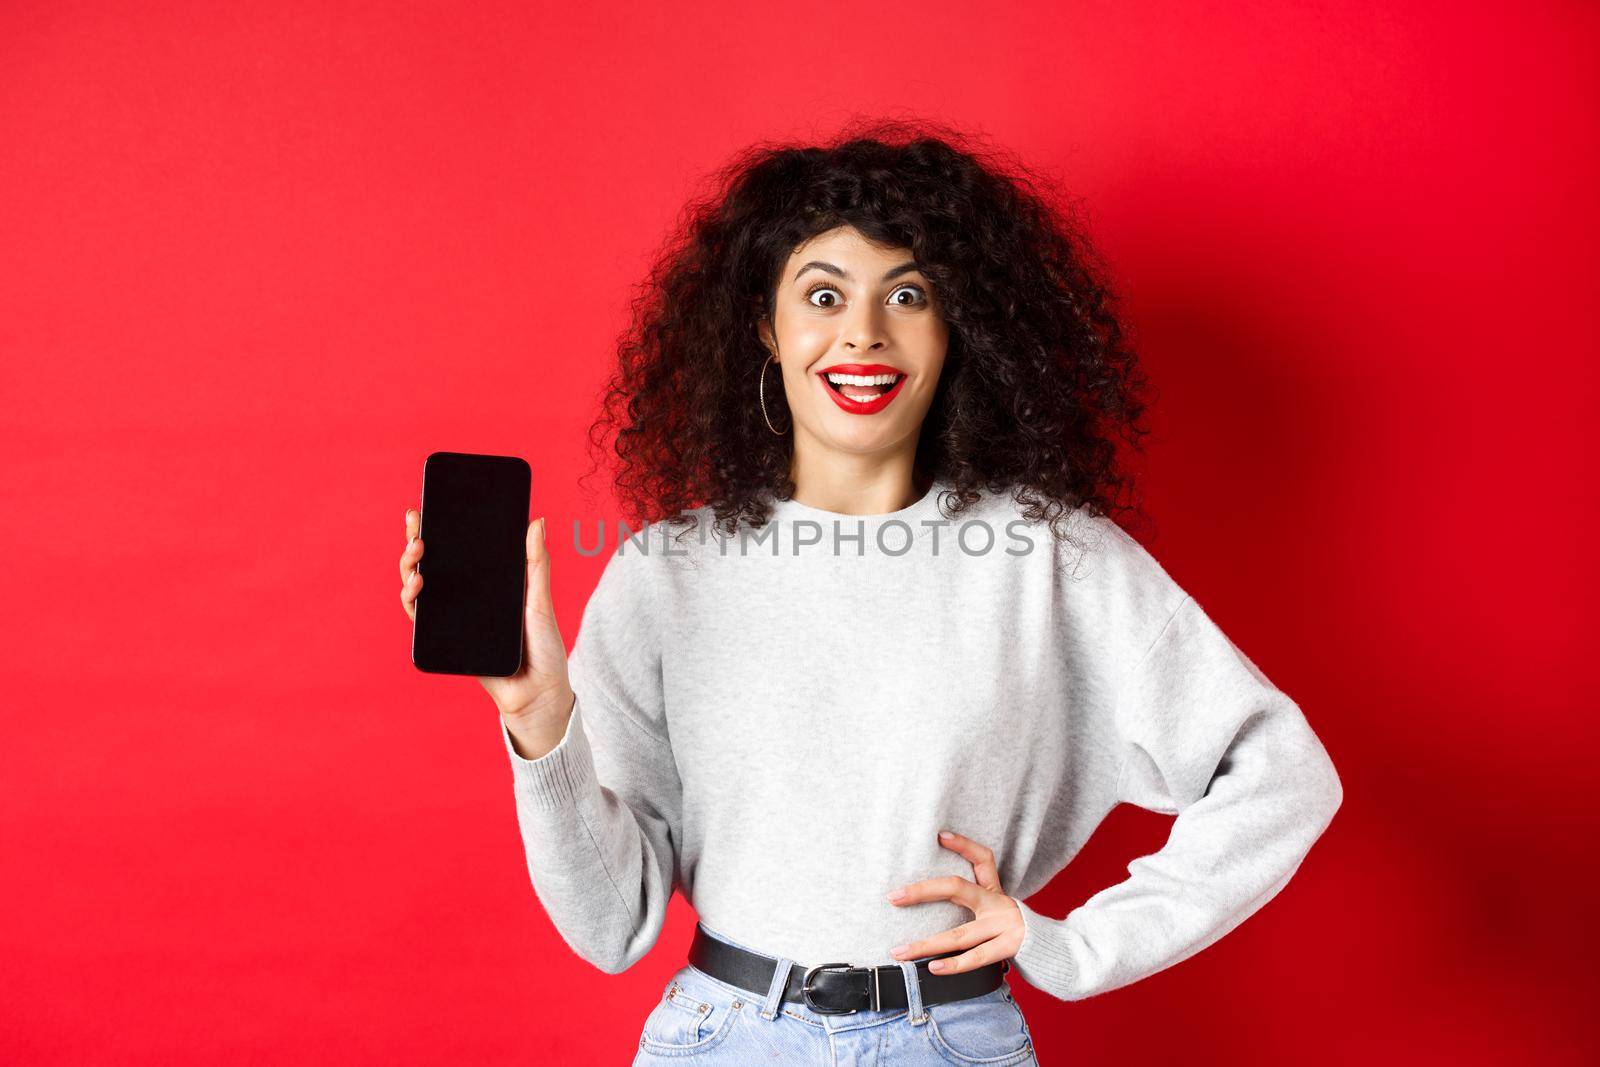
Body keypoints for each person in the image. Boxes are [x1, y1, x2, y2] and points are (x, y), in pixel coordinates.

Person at [397, 119, 1342, 1065]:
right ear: (766, 327)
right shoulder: (663, 572)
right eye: (822, 294)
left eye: (908, 294)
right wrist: (538, 718)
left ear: (955, 328)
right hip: (721, 1039)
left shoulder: (1049, 561)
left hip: (952, 1037)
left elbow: (1281, 775)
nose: (863, 333)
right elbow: (612, 927)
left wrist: (1075, 946)